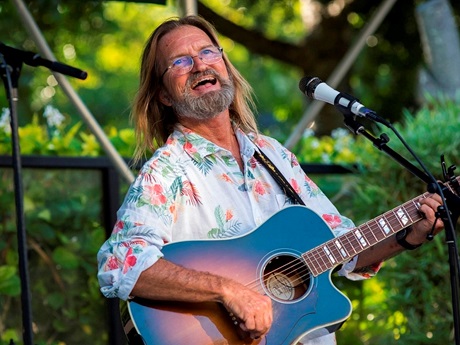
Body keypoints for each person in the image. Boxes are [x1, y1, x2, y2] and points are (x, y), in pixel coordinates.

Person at [97, 15, 444, 345]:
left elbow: (342, 245)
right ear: (163, 95)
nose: (200, 65)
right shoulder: (168, 170)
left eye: (207, 52)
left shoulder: (272, 155)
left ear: (223, 64)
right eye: (180, 61)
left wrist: (408, 235)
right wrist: (228, 290)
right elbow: (120, 263)